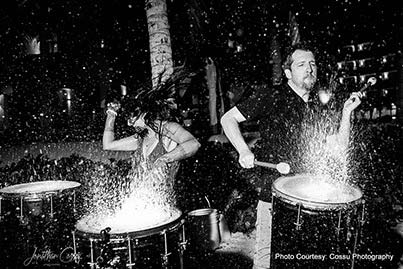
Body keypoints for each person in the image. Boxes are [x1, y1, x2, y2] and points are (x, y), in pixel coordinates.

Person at [220, 42, 362, 269]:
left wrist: (346, 114)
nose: (310, 69)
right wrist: (244, 150)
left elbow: (339, 148)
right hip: (274, 197)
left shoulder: (318, 106)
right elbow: (228, 119)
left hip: (310, 199)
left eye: (313, 64)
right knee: (267, 260)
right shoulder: (270, 95)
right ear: (288, 72)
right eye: (302, 64)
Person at [102, 70, 201, 193]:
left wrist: (164, 159)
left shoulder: (166, 129)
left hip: (166, 207)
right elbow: (108, 145)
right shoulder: (140, 138)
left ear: (143, 113)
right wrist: (111, 114)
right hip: (142, 203)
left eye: (131, 119)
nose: (129, 123)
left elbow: (194, 144)